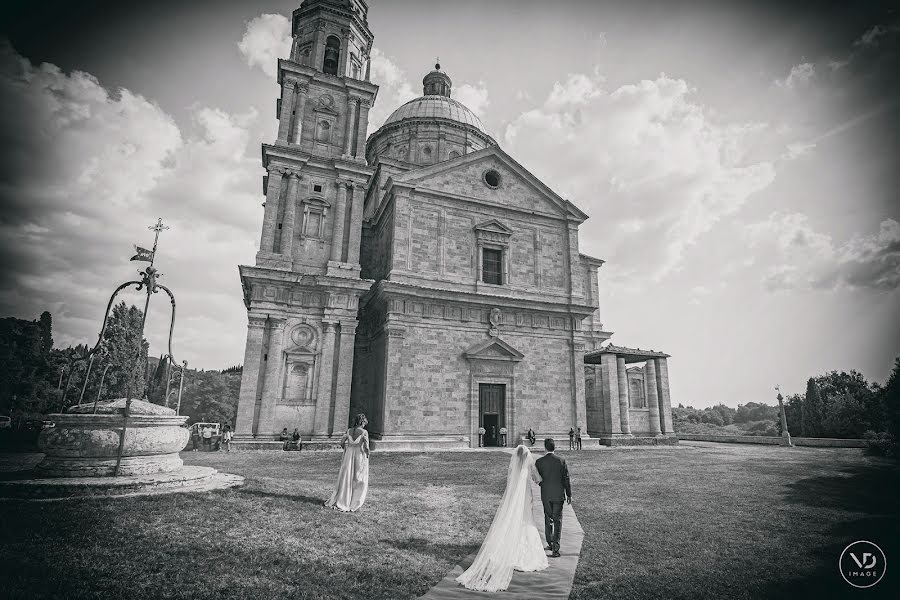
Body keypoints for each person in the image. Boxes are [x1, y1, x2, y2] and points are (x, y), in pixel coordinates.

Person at [456, 445, 548, 592]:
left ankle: (507, 548)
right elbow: (537, 478)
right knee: (527, 521)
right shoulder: (529, 464)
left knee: (513, 520)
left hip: (515, 498)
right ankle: (525, 553)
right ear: (527, 456)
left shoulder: (515, 466)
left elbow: (511, 483)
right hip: (525, 498)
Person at [534, 438, 572, 558]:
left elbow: (536, 478)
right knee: (558, 520)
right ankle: (556, 549)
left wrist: (542, 485)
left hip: (546, 494)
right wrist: (569, 494)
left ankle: (550, 543)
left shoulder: (539, 462)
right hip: (558, 494)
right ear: (554, 447)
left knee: (548, 518)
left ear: (545, 447)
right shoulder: (561, 461)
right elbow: (566, 479)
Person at [325, 413, 370, 512]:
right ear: (362, 422)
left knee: (347, 476)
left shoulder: (349, 430)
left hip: (349, 454)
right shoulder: (364, 432)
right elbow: (366, 446)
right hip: (359, 455)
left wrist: (346, 448)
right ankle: (354, 501)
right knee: (358, 478)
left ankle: (343, 498)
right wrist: (367, 454)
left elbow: (342, 442)